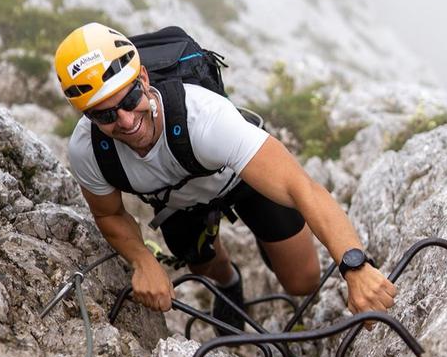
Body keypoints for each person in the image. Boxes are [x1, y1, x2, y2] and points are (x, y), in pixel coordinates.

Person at [55, 22, 397, 330]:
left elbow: (300, 187)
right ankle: (230, 284)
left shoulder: (204, 118)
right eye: (106, 115)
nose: (127, 120)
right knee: (207, 269)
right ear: (87, 116)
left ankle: (270, 244)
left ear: (143, 79)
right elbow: (109, 213)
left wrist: (356, 265)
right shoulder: (90, 151)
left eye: (130, 98)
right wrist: (143, 261)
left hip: (242, 182)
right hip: (179, 204)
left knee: (303, 282)